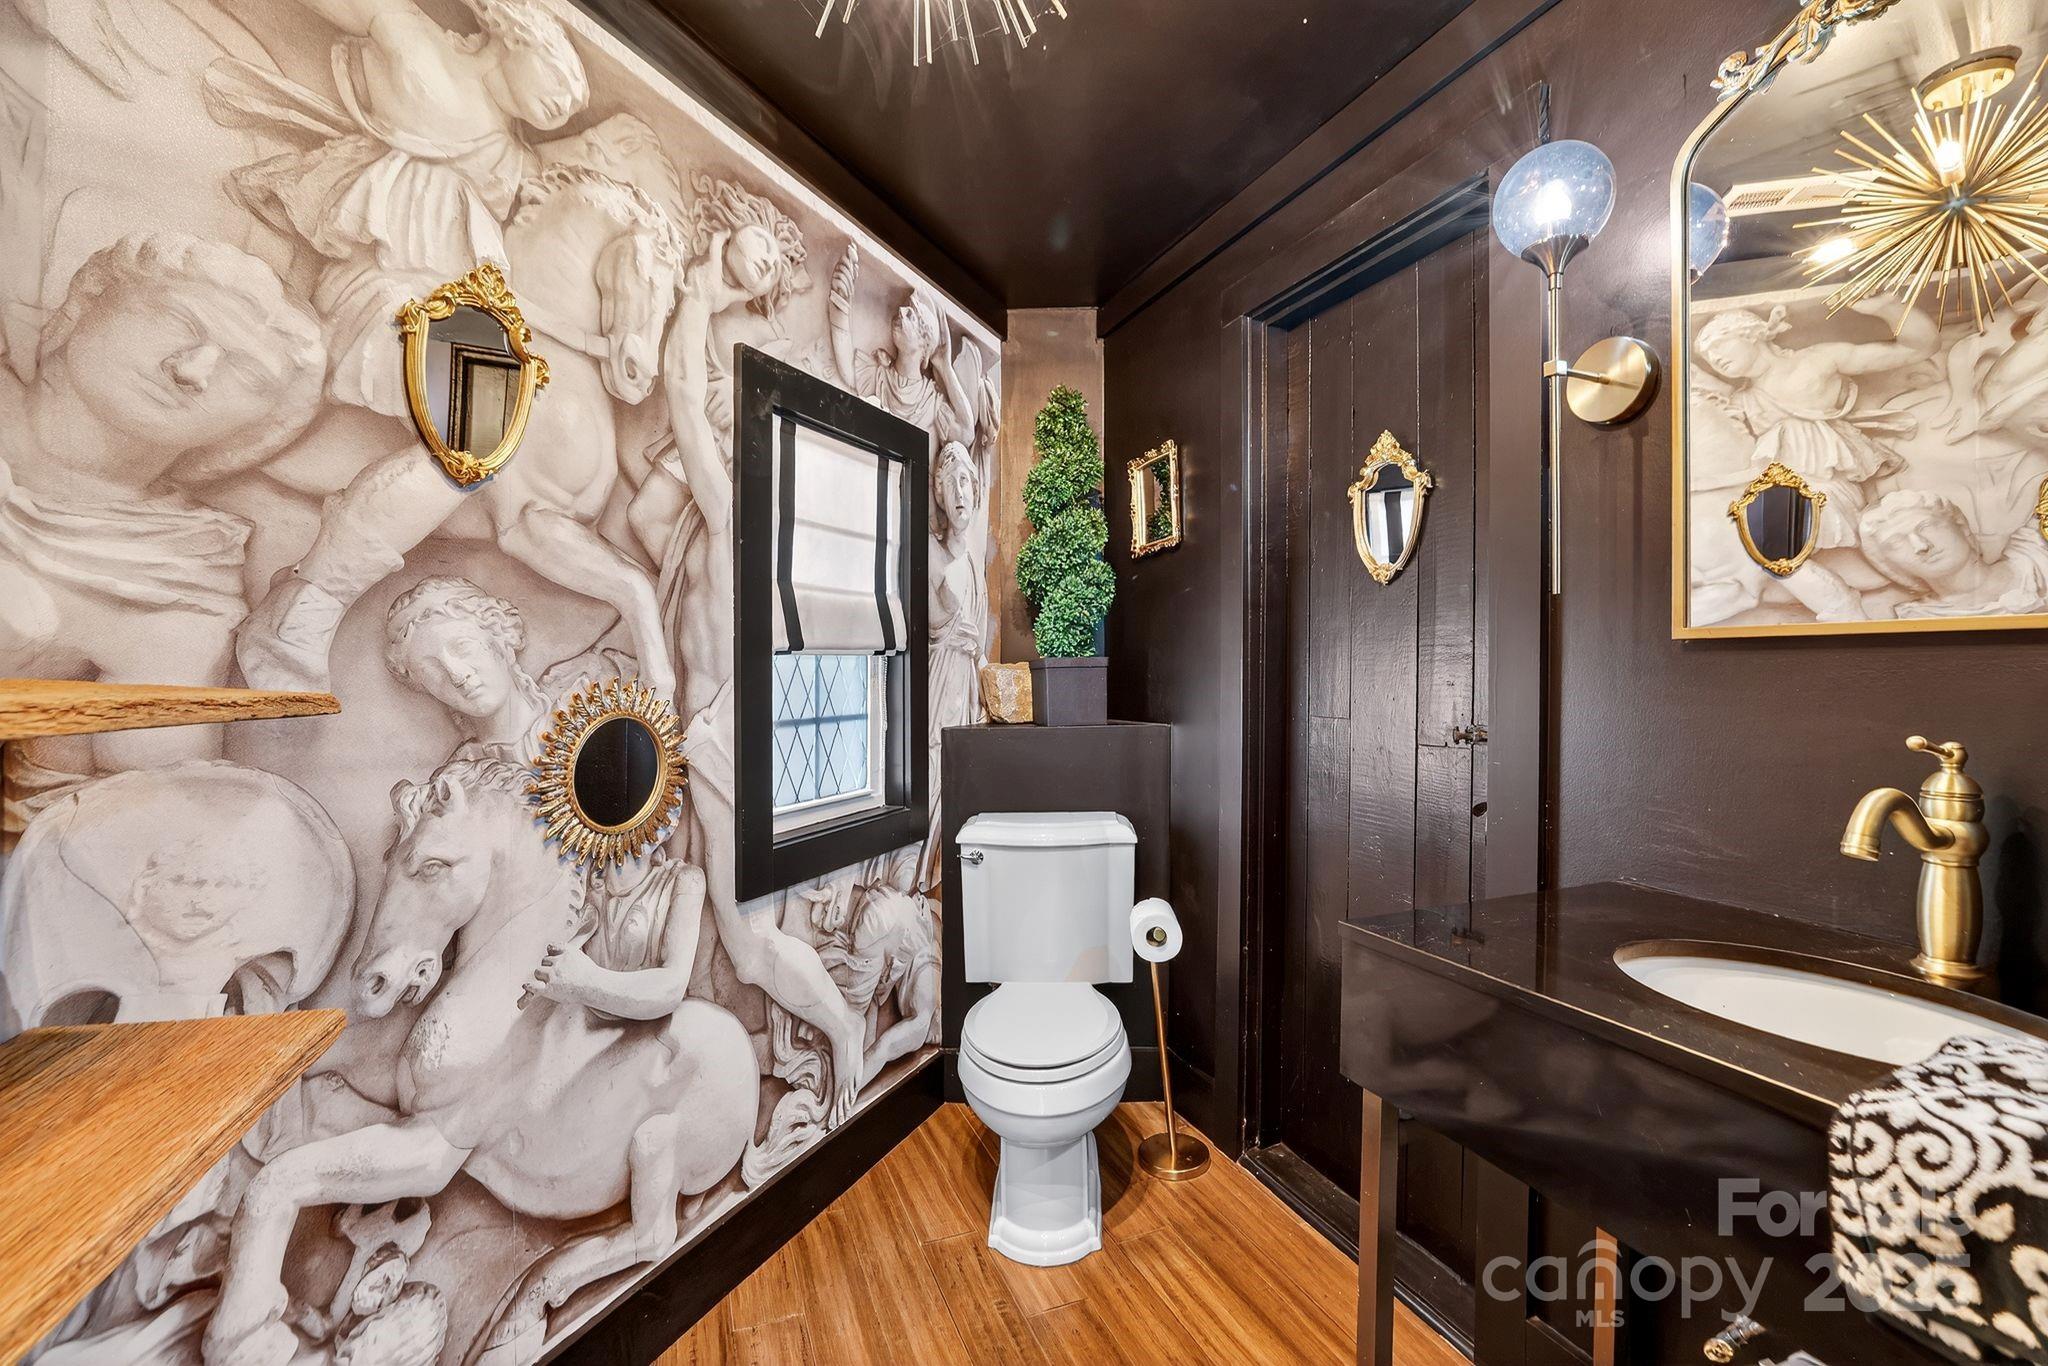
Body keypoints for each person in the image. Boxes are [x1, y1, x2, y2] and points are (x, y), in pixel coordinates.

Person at [0, 233, 323, 791]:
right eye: (178, 321)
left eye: (247, 376)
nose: (192, 372)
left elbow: (127, 815)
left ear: (252, 429)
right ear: (88, 301)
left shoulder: (181, 585)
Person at [203, 0, 588, 413]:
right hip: (385, 249)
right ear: (517, 37)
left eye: (574, 104)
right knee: (365, 331)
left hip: (446, 283)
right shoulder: (417, 42)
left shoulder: (518, 160)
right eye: (561, 79)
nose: (565, 105)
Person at [919, 442, 987, 890]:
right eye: (949, 484)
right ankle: (922, 870)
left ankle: (949, 870)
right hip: (940, 681)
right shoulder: (931, 551)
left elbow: (975, 638)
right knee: (936, 765)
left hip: (967, 682)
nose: (959, 492)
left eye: (965, 481)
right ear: (939, 496)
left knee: (962, 769)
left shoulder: (974, 562)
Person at [1858, 490, 2048, 618]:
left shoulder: (2035, 556)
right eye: (1896, 543)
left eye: (1926, 526)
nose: (1921, 546)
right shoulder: (1917, 618)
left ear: (1960, 525)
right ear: (1891, 567)